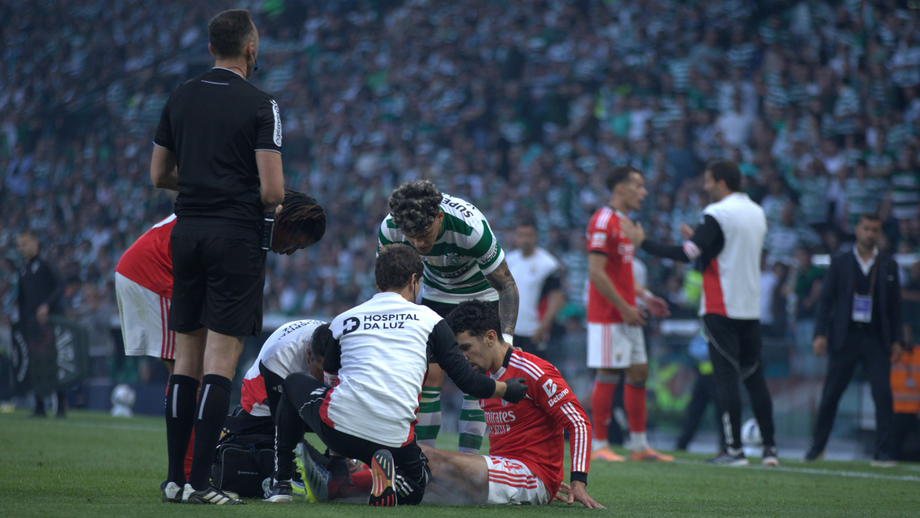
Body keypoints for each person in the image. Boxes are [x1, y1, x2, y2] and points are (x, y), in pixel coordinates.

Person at [264, 244, 527, 505]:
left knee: (291, 384)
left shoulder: (344, 319)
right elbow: (468, 382)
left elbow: (331, 380)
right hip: (396, 439)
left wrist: (338, 449)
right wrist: (507, 389)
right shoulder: (432, 320)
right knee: (418, 483)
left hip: (341, 432)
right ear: (414, 280)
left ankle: (281, 484)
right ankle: (389, 480)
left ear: (378, 281)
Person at [150, 9, 285, 505]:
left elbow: (159, 175)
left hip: (185, 234)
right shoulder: (262, 103)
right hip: (235, 239)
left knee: (185, 358)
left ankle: (172, 479)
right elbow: (272, 191)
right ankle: (201, 483)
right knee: (220, 365)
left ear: (211, 48)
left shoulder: (181, 94)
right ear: (251, 48)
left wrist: (205, 185)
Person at [622, 160, 779, 466]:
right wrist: (700, 237)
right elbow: (726, 249)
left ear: (720, 183)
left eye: (708, 182)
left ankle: (733, 451)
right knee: (755, 379)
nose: (705, 187)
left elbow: (686, 253)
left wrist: (644, 243)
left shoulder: (717, 214)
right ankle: (770, 449)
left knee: (726, 380)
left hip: (721, 308)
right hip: (750, 307)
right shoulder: (758, 212)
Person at [378, 180, 519, 454]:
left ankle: (468, 461)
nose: (419, 243)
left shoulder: (471, 228)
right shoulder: (391, 227)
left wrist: (507, 339)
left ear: (439, 216)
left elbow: (507, 286)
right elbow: (389, 282)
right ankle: (425, 461)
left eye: (425, 233)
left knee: (475, 373)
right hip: (435, 295)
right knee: (430, 376)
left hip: (480, 294)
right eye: (411, 236)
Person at [421, 300, 603, 508]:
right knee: (423, 475)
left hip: (530, 477)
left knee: (430, 459)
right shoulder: (484, 377)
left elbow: (578, 423)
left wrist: (578, 483)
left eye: (466, 347)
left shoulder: (533, 371)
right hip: (506, 472)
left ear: (490, 337)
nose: (462, 357)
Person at [584, 165, 673, 463]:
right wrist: (624, 307)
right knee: (608, 373)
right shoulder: (603, 220)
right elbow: (596, 273)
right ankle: (599, 446)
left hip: (629, 311)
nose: (644, 192)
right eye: (639, 186)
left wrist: (646, 297)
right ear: (621, 189)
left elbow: (621, 274)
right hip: (610, 314)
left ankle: (639, 446)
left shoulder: (625, 223)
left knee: (639, 372)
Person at [805, 213, 903, 466]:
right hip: (845, 336)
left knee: (882, 394)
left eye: (875, 229)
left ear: (879, 233)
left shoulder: (888, 265)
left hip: (874, 339)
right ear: (857, 230)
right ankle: (817, 446)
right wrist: (819, 334)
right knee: (830, 395)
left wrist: (897, 340)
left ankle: (883, 451)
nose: (870, 234)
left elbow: (895, 307)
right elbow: (826, 301)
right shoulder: (840, 262)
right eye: (867, 228)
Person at [15, 231, 66, 418]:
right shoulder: (23, 269)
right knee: (35, 364)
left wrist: (46, 305)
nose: (21, 248)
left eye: (25, 244)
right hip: (31, 324)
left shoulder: (45, 264)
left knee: (53, 363)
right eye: (19, 245)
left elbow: (61, 285)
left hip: (50, 322)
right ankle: (39, 406)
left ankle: (60, 406)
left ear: (35, 243)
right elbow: (21, 298)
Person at [505, 215, 565, 358]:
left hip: (534, 331)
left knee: (533, 376)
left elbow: (557, 299)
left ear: (536, 236)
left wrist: (543, 327)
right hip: (511, 331)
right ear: (516, 237)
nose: (525, 239)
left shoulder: (548, 264)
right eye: (521, 235)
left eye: (529, 235)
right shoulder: (509, 260)